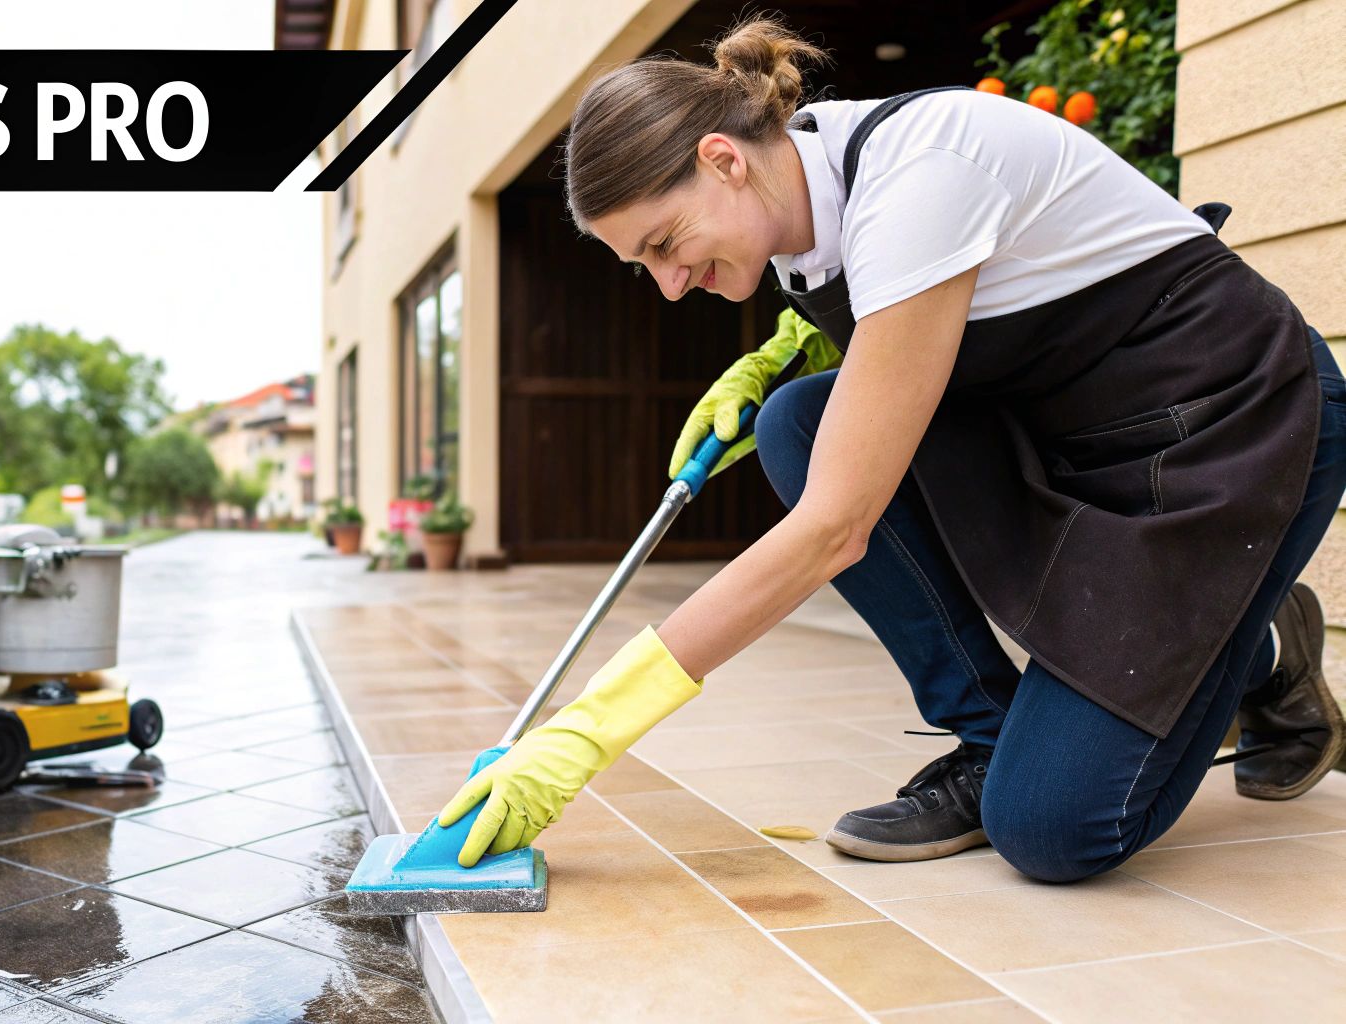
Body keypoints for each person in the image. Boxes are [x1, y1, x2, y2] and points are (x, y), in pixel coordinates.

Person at [435, 15, 1346, 881]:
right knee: (797, 422)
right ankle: (990, 738)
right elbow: (912, 308)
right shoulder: (805, 195)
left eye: (666, 244)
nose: (672, 287)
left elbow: (838, 527)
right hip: (1069, 428)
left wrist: (589, 729)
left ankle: (1265, 643)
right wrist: (778, 358)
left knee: (1058, 833)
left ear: (723, 160)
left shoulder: (922, 171)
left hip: (1226, 435)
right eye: (646, 266)